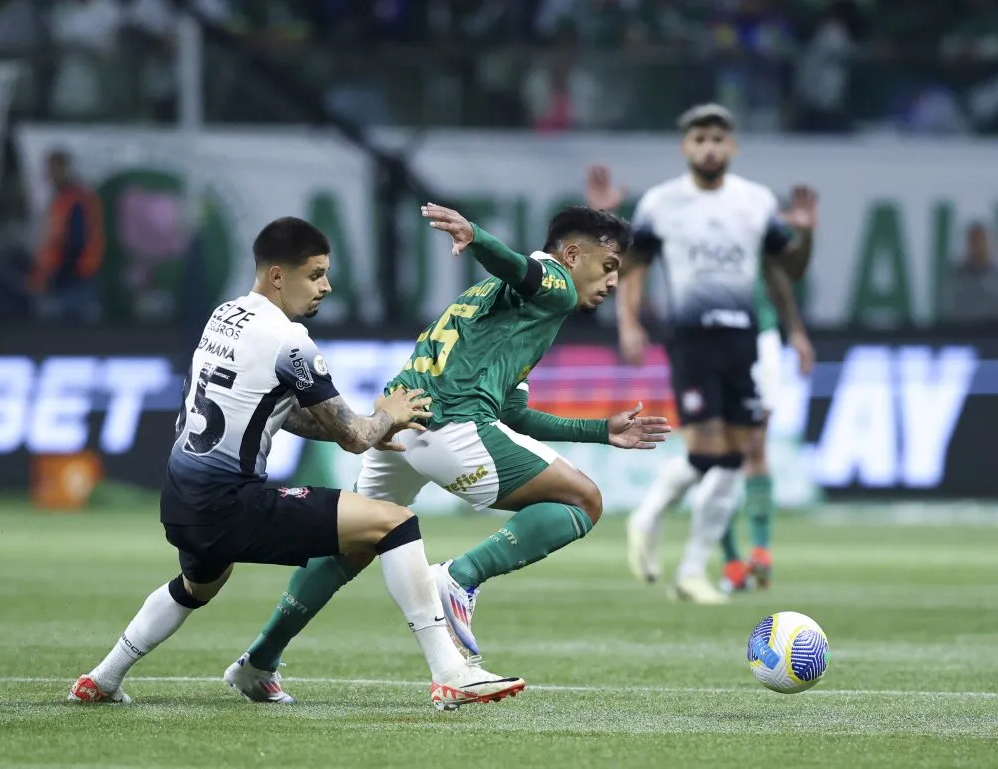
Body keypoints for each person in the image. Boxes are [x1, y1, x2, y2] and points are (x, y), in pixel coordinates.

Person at [66, 216, 525, 711]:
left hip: (180, 498)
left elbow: (277, 413)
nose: (326, 287)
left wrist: (374, 427)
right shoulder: (289, 340)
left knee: (198, 585)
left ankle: (102, 678)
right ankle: (451, 672)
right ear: (278, 275)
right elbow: (353, 437)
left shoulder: (224, 315)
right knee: (394, 522)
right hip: (230, 501)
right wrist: (386, 416)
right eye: (316, 274)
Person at [223, 204, 672, 702]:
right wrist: (477, 236)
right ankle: (460, 577)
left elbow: (515, 412)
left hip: (401, 422)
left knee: (351, 545)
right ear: (571, 254)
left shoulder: (510, 308)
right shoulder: (554, 283)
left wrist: (599, 431)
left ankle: (259, 660)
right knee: (584, 501)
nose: (613, 282)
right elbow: (520, 267)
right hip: (452, 428)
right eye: (609, 267)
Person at [585, 103, 816, 604]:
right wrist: (627, 322)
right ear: (684, 146)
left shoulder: (754, 202)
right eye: (699, 139)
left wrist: (807, 238)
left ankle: (690, 569)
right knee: (711, 450)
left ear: (731, 146)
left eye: (717, 139)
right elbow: (636, 266)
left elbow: (783, 272)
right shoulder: (662, 203)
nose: (708, 147)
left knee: (733, 458)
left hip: (744, 340)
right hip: (692, 337)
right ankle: (649, 520)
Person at [28, 149, 105, 323]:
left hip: (74, 280)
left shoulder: (76, 199)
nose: (50, 175)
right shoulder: (61, 199)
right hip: (64, 278)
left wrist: (58, 272)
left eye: (54, 169)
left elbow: (78, 240)